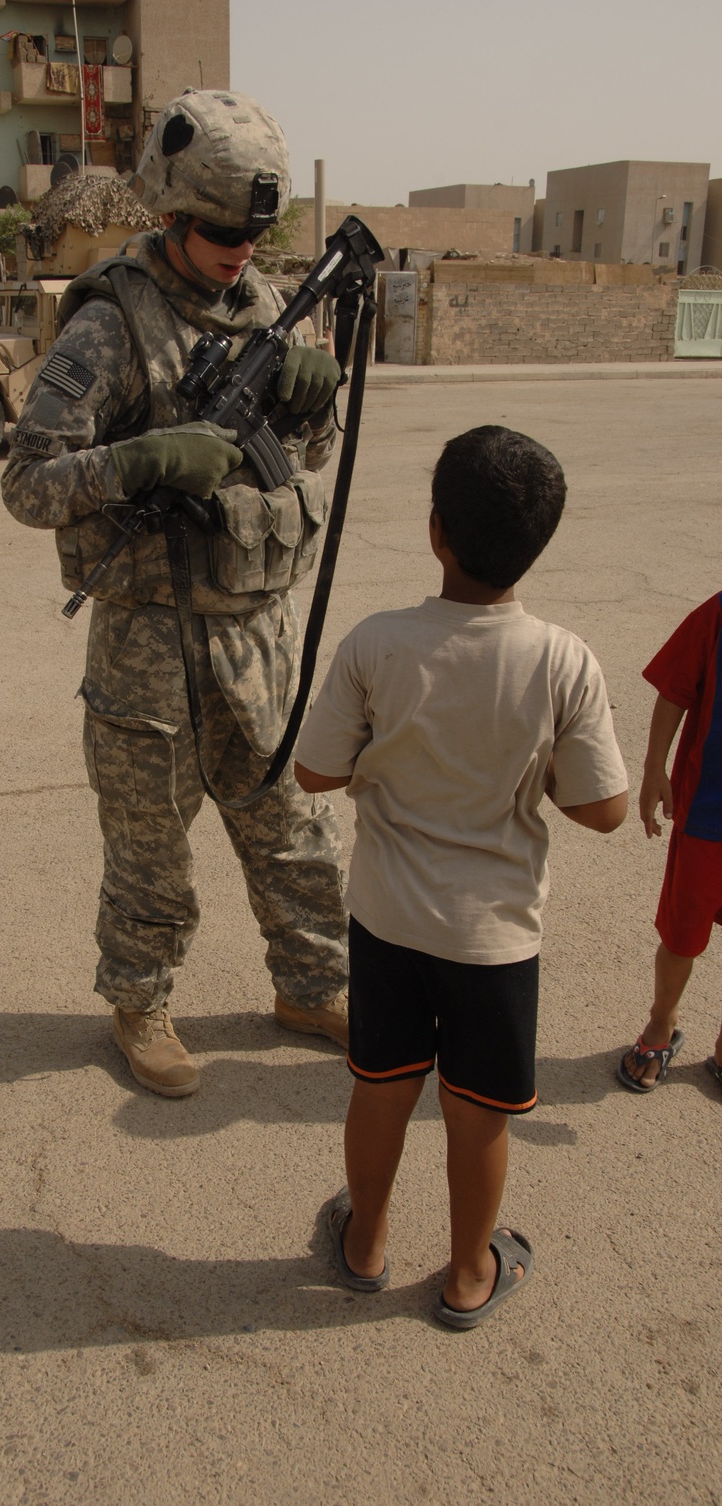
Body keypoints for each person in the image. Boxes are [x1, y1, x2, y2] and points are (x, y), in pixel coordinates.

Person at [0, 90, 349, 1098]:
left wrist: (312, 404)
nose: (240, 251)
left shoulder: (269, 311)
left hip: (259, 630)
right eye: (219, 231)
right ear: (167, 212)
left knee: (291, 827)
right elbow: (27, 485)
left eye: (253, 233)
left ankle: (312, 982)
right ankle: (141, 1002)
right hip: (149, 641)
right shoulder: (109, 327)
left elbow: (308, 458)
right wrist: (142, 458)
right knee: (149, 845)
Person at [294, 425, 628, 1327]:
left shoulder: (378, 643)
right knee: (480, 1109)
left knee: (382, 1082)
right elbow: (605, 810)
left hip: (389, 919)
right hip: (495, 936)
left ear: (435, 531)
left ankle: (363, 1244)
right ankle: (470, 1274)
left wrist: (382, 753)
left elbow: (314, 772)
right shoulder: (563, 659)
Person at [618, 593, 722, 1093]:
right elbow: (675, 689)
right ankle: (661, 1024)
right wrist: (653, 768)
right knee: (683, 934)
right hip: (709, 814)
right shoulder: (718, 614)